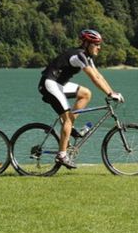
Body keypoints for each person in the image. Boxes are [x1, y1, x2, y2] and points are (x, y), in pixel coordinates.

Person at [38, 29, 125, 169]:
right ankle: (61, 154)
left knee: (86, 94)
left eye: (99, 44)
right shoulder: (79, 55)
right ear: (87, 44)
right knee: (66, 119)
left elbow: (99, 76)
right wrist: (109, 94)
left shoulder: (87, 57)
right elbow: (93, 78)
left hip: (59, 84)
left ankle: (69, 126)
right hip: (49, 84)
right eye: (96, 44)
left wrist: (112, 92)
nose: (99, 47)